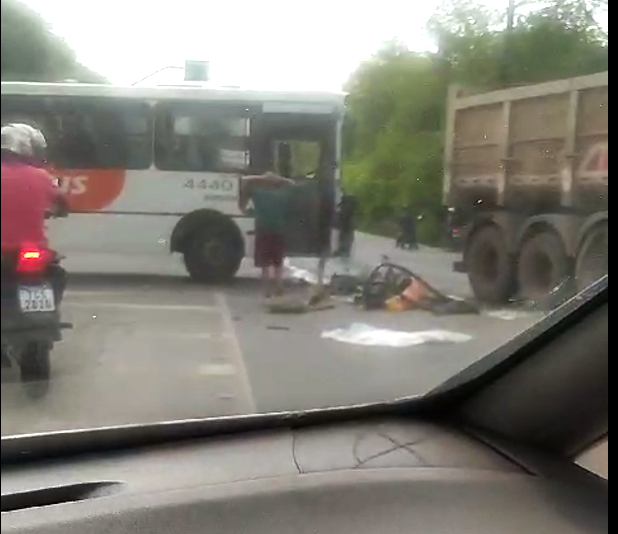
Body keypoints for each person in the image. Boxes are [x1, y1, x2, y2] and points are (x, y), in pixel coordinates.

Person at [1, 123, 68, 302]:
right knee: (57, 274)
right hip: (30, 252)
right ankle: (47, 312)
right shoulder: (42, 176)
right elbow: (62, 204)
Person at [239, 172, 295, 298]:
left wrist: (261, 178)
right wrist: (278, 178)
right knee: (278, 262)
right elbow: (292, 184)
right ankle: (279, 287)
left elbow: (244, 181)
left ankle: (267, 290)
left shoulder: (259, 194)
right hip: (279, 231)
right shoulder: (282, 196)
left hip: (263, 231)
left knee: (264, 263)